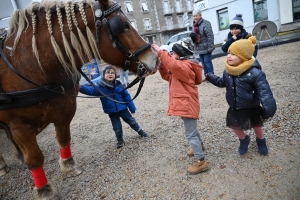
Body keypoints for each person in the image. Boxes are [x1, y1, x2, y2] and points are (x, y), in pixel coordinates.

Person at [206, 36, 276, 155]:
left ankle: (261, 140)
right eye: (228, 53)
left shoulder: (255, 73)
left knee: (257, 125)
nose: (228, 56)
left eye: (233, 54)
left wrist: (269, 108)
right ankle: (244, 139)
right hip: (235, 106)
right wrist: (211, 77)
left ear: (244, 57)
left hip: (251, 106)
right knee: (235, 126)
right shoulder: (227, 71)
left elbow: (265, 92)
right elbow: (223, 83)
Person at [151, 40, 209, 175]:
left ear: (181, 54)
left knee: (190, 134)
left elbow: (174, 65)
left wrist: (160, 52)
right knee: (192, 130)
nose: (171, 55)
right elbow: (168, 76)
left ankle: (201, 161)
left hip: (187, 105)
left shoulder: (185, 66)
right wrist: (161, 67)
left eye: (174, 53)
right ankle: (199, 146)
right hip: (185, 104)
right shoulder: (181, 67)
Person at [79, 65, 148, 149]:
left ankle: (140, 131)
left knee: (132, 121)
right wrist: (79, 88)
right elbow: (90, 90)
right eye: (108, 72)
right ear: (104, 75)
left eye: (112, 73)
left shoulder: (120, 86)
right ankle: (119, 140)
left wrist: (132, 107)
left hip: (123, 109)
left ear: (115, 75)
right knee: (117, 127)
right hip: (112, 112)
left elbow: (127, 97)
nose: (110, 74)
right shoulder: (99, 88)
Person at [190, 8, 215, 78]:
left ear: (200, 15)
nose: (195, 17)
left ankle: (211, 76)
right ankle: (207, 76)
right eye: (194, 16)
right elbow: (194, 37)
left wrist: (210, 47)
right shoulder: (194, 25)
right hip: (199, 48)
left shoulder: (206, 23)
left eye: (196, 15)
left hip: (206, 47)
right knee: (203, 63)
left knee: (207, 62)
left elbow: (210, 36)